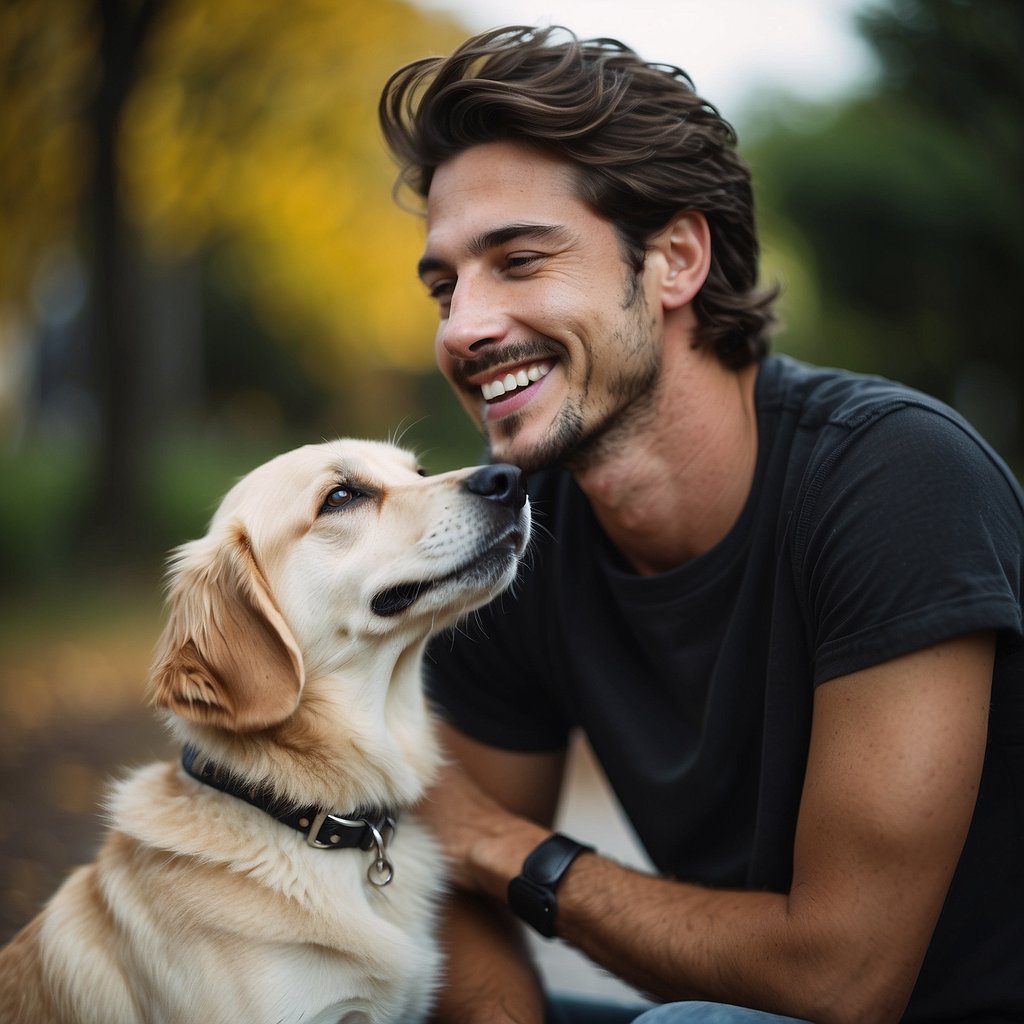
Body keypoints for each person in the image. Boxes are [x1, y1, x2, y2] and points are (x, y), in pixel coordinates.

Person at [377, 25, 1024, 1024]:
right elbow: (445, 884)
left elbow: (842, 982)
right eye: (444, 284)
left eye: (517, 259)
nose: (461, 327)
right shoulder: (517, 531)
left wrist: (507, 846)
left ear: (674, 259)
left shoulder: (895, 481)